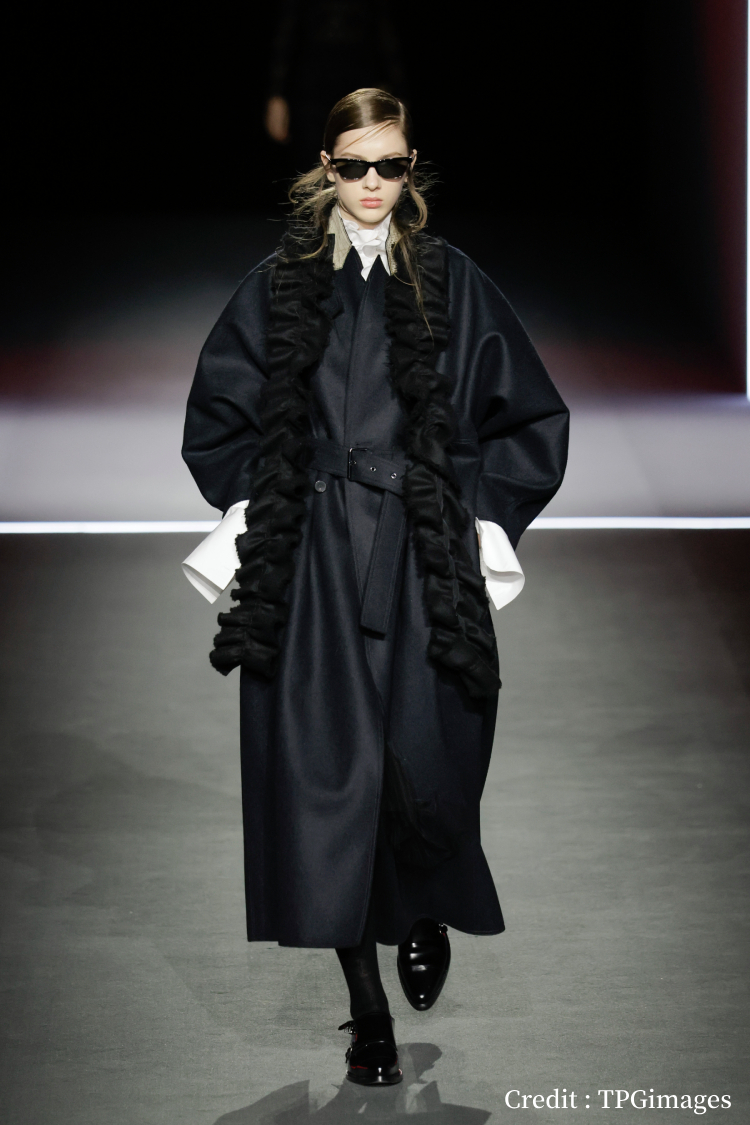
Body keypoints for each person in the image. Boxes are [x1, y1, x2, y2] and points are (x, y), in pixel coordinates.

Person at [181, 88, 569, 1086]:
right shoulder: (279, 285)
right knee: (326, 782)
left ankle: (425, 907)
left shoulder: (451, 282)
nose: (370, 184)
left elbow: (530, 415)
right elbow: (217, 418)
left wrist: (478, 519)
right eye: (353, 165)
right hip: (311, 565)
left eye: (389, 166)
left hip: (420, 558)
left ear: (410, 170)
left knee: (428, 763)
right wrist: (268, 501)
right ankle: (368, 1014)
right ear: (326, 168)